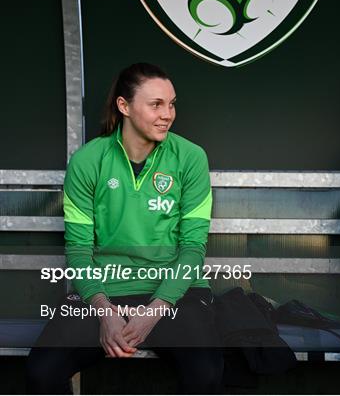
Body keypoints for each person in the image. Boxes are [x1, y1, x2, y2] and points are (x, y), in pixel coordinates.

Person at [26, 63, 224, 394]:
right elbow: (78, 250)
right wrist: (105, 313)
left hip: (174, 295)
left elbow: (193, 249)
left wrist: (153, 312)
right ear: (124, 107)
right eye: (156, 104)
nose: (168, 114)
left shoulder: (190, 157)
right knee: (41, 372)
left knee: (206, 373)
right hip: (107, 292)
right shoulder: (89, 161)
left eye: (172, 103)